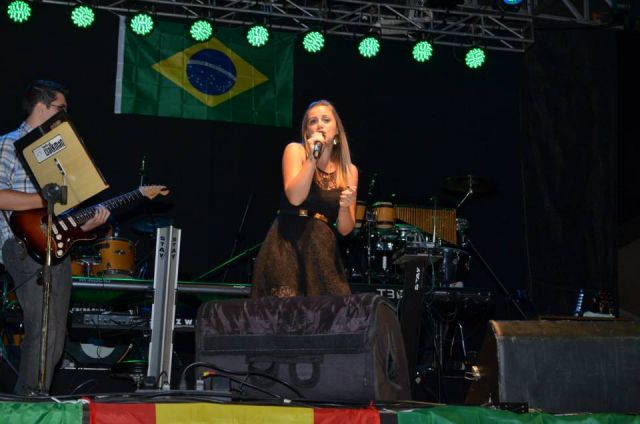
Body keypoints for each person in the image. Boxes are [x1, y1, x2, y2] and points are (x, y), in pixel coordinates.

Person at [0, 80, 110, 395]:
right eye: (61, 108)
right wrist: (46, 199)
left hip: (55, 245)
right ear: (42, 106)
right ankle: (28, 403)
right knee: (42, 327)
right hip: (22, 246)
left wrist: (84, 225)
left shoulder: (55, 154)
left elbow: (61, 212)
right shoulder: (9, 144)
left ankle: (38, 397)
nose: (65, 115)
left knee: (54, 333)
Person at [251, 100, 358, 297]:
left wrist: (344, 206)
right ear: (307, 131)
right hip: (288, 242)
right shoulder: (295, 151)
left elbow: (345, 229)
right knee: (286, 309)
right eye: (313, 121)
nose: (319, 125)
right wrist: (313, 157)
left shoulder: (349, 170)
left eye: (326, 120)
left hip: (322, 250)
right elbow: (295, 197)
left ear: (336, 130)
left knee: (329, 309)